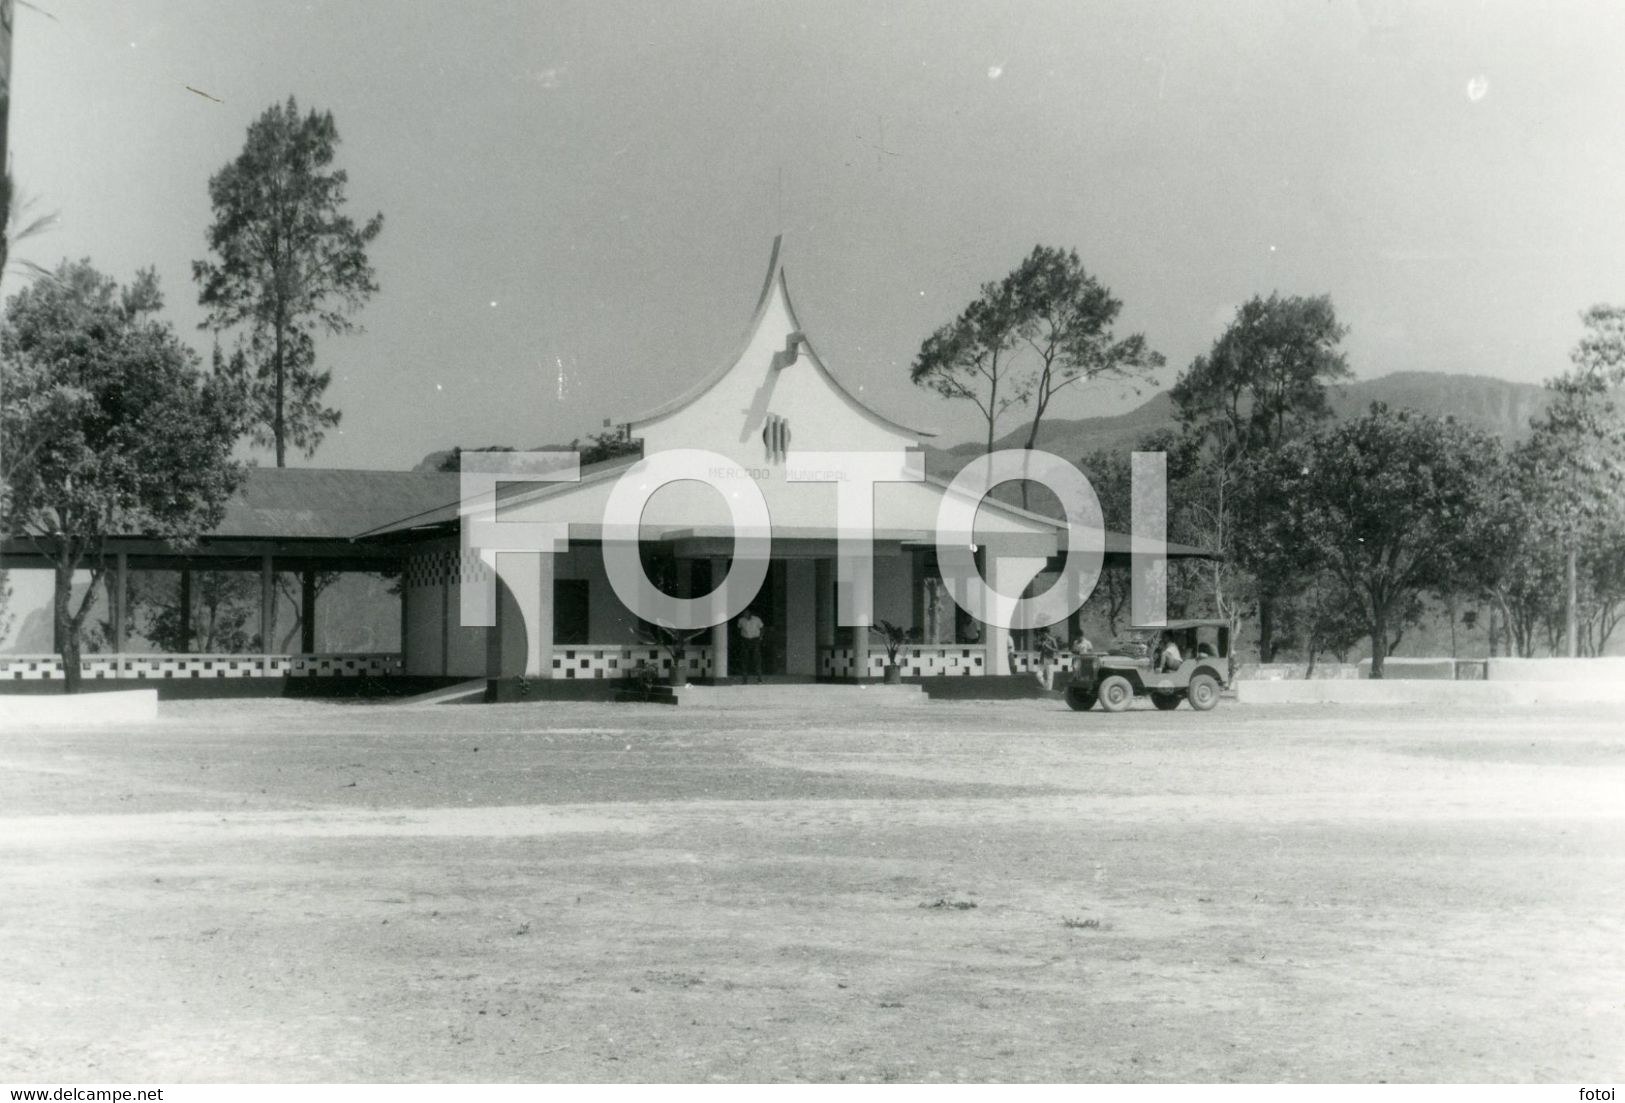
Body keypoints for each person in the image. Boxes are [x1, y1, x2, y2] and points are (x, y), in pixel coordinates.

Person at [737, 607, 766, 683]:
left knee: (757, 658)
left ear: (750, 613)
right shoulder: (741, 620)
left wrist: (760, 637)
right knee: (745, 659)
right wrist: (741, 638)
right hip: (745, 640)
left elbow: (762, 628)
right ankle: (744, 679)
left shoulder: (757, 619)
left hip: (755, 639)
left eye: (746, 613)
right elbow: (738, 628)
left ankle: (759, 678)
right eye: (744, 613)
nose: (745, 614)